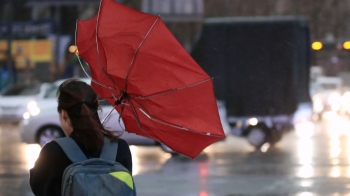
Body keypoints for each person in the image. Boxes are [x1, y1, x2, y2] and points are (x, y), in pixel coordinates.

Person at [29, 78, 132, 196]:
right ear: (96, 109)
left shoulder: (52, 152)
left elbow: (38, 188)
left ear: (64, 114)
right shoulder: (120, 148)